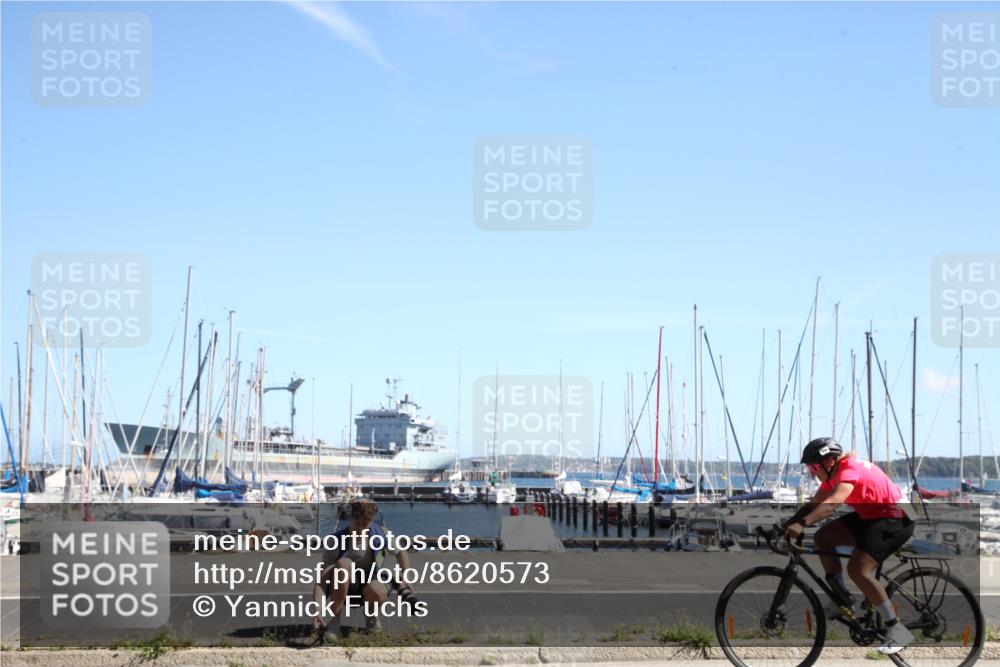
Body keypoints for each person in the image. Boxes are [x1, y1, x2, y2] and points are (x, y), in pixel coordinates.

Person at [781, 437, 915, 655]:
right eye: (810, 468)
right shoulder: (832, 476)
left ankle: (897, 629)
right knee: (823, 537)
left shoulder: (848, 470)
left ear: (830, 461)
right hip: (872, 516)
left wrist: (803, 524)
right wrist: (786, 525)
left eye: (815, 466)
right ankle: (842, 599)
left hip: (897, 517)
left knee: (858, 569)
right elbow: (816, 504)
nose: (812, 472)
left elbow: (832, 504)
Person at [312, 499, 416, 643]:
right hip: (344, 588)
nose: (360, 529)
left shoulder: (381, 533)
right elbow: (322, 582)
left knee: (377, 590)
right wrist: (318, 610)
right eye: (356, 524)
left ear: (371, 521)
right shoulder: (335, 540)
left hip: (371, 583)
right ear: (350, 519)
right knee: (343, 564)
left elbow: (400, 551)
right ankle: (335, 622)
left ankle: (371, 618)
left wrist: (405, 576)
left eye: (365, 525)